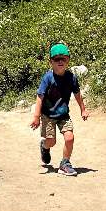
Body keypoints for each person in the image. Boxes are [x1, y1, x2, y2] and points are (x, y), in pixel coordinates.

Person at [29, 42, 88, 176]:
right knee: (51, 142)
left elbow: (77, 94)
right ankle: (44, 146)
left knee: (69, 138)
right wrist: (36, 117)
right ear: (51, 62)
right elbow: (40, 97)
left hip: (63, 115)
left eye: (64, 59)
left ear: (68, 60)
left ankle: (65, 163)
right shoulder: (48, 78)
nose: (60, 61)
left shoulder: (71, 77)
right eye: (57, 59)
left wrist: (83, 110)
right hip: (48, 115)